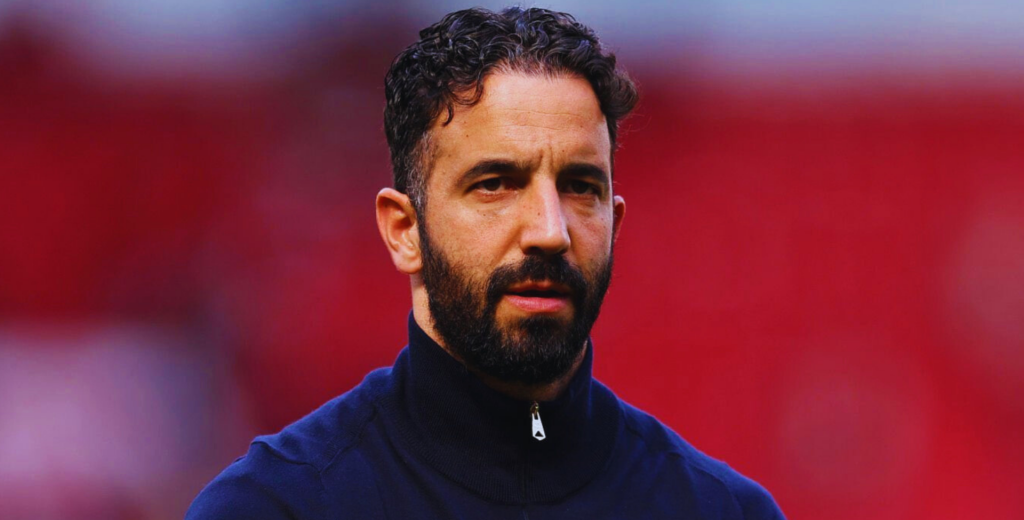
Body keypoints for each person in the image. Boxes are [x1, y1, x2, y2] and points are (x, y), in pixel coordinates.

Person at [186, 7, 785, 519]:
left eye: (581, 187)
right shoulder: (277, 505)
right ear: (404, 231)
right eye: (496, 183)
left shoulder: (721, 510)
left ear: (615, 225)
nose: (550, 232)